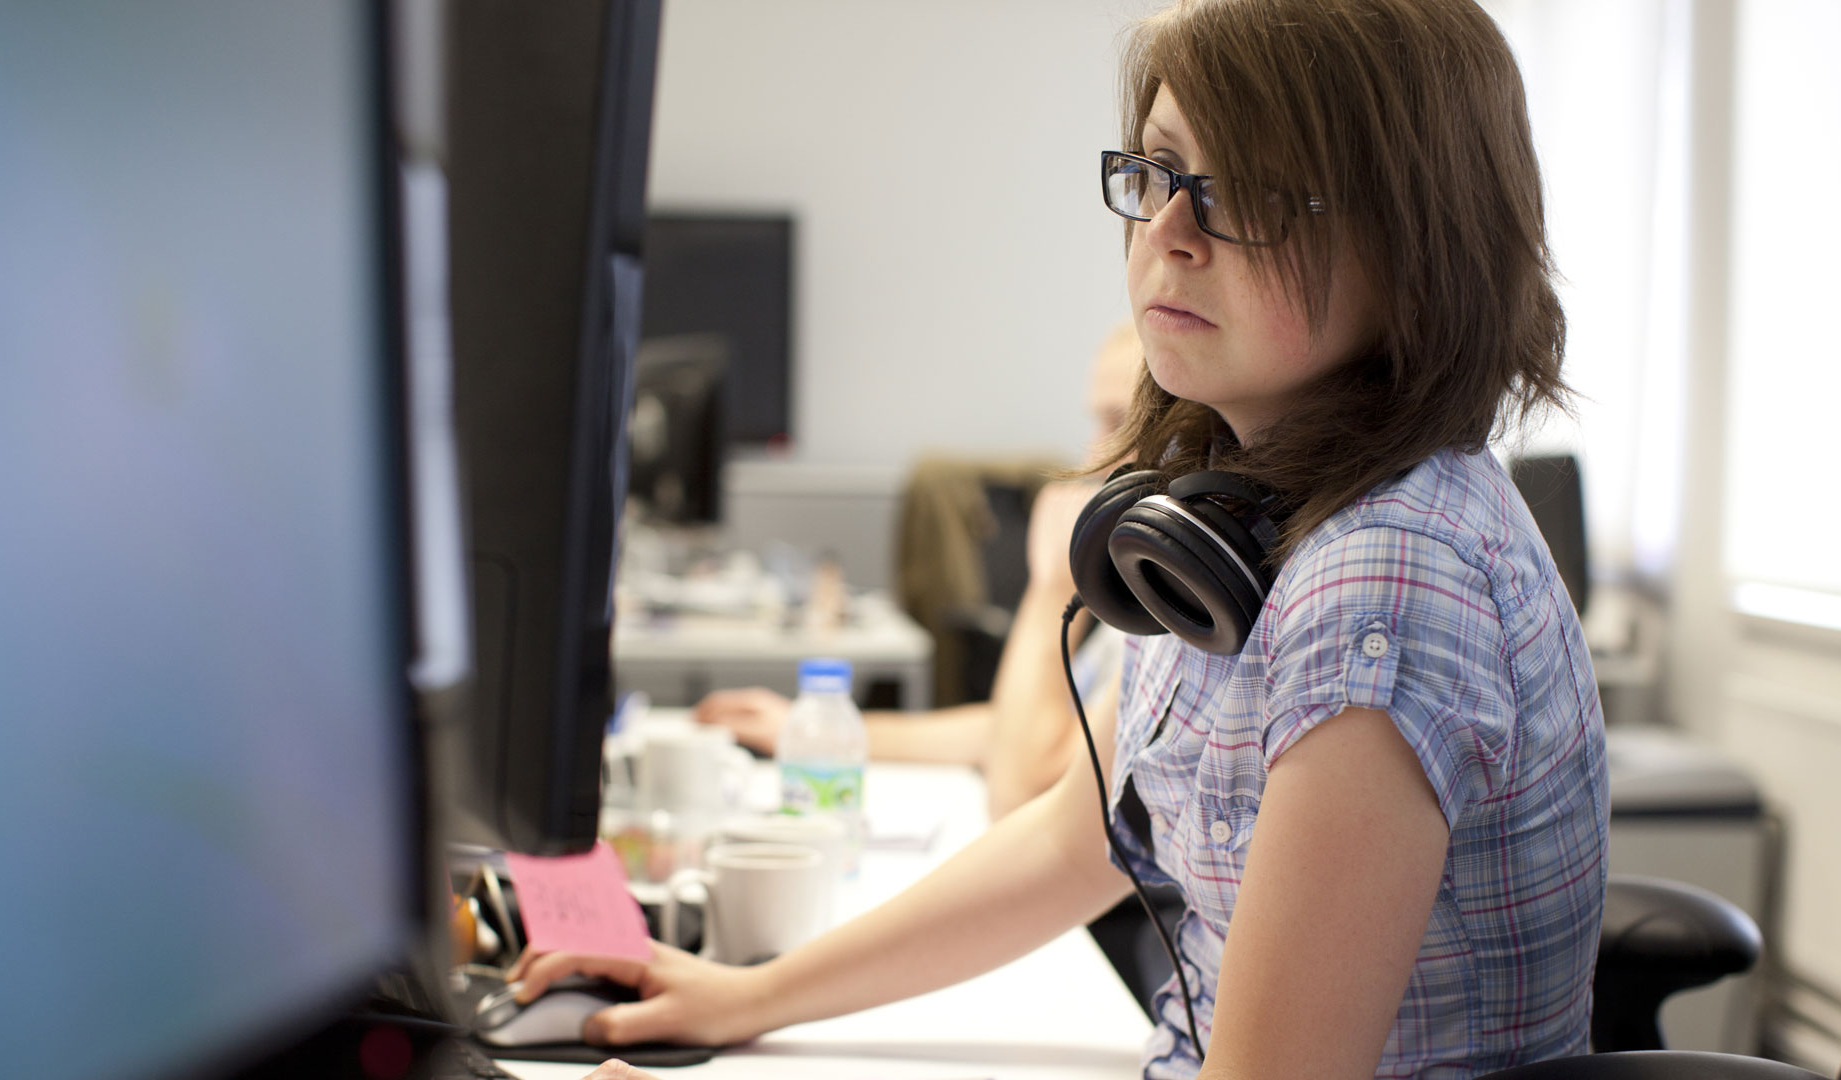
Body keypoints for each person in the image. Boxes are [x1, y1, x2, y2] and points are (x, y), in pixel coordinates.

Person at [520, 1, 1607, 1077]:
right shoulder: (1235, 509)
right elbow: (1078, 834)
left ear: (1415, 247)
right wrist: (747, 999)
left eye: (1251, 196)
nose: (1168, 235)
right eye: (1161, 172)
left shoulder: (1386, 578)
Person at [692, 321, 1145, 821]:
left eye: (1118, 423)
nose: (1090, 457)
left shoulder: (1165, 622)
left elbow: (1022, 789)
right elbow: (1012, 730)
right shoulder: (1131, 611)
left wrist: (1053, 587)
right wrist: (820, 732)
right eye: (1096, 424)